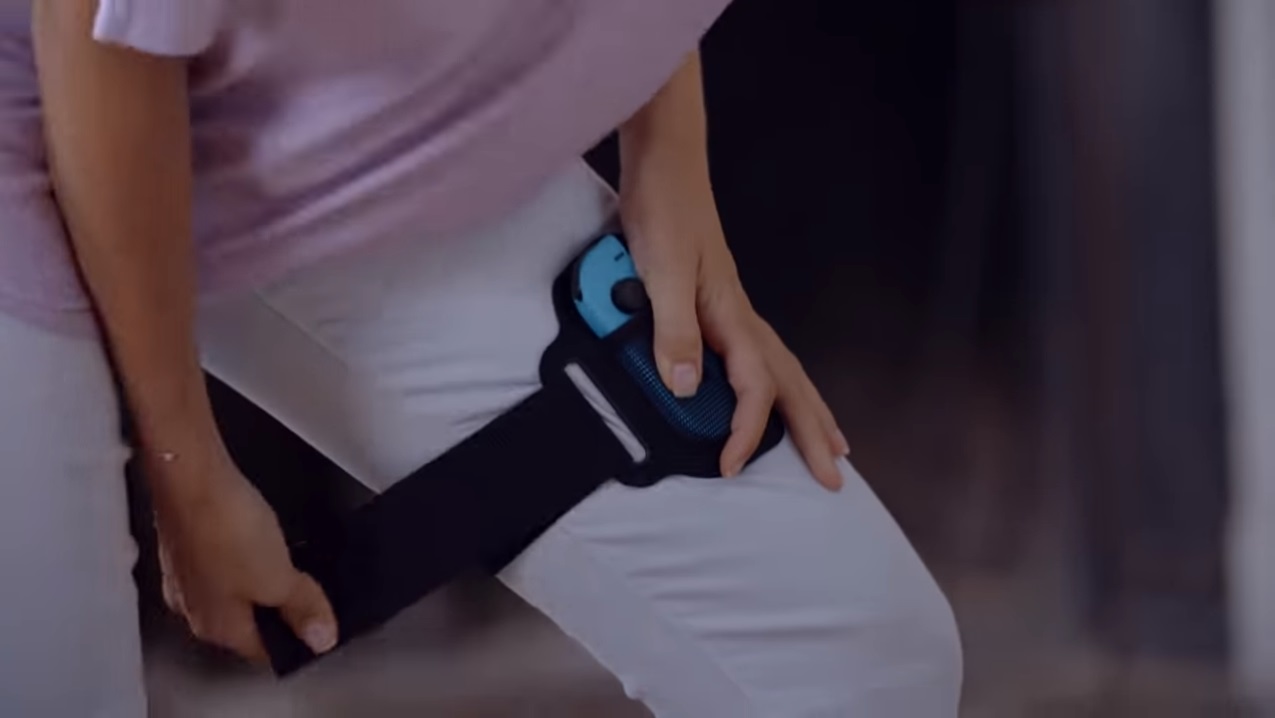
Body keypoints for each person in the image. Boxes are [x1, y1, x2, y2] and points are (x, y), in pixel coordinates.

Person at [0, 1, 962, 715]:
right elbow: (92, 34)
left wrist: (669, 166)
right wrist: (185, 463)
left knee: (857, 669)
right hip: (64, 90)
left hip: (367, 97)